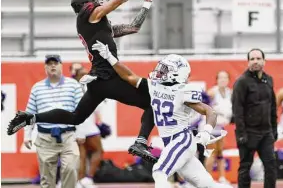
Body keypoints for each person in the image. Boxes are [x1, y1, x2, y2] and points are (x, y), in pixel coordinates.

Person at [7, 0, 157, 163]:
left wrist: (147, 2)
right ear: (88, 1)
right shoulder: (89, 15)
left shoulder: (98, 23)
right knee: (153, 104)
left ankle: (29, 118)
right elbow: (117, 0)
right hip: (108, 77)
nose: (100, 1)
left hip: (98, 80)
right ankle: (141, 142)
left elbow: (134, 27)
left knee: (76, 117)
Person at [91, 41, 232, 188]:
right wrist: (110, 57)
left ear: (177, 73)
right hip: (172, 142)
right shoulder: (154, 86)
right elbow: (129, 76)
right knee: (206, 183)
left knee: (159, 171)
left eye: (166, 69)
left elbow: (210, 111)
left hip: (181, 139)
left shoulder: (182, 91)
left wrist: (207, 131)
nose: (160, 71)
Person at [23, 55, 81, 188]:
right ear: (45, 67)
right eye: (49, 64)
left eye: (56, 63)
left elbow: (82, 111)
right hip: (45, 138)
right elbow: (29, 114)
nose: (52, 66)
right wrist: (27, 135)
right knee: (47, 179)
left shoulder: (73, 85)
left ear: (61, 65)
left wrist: (81, 132)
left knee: (71, 169)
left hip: (68, 136)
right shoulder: (37, 88)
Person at [232, 48, 277, 188]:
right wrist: (241, 134)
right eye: (252, 59)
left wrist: (274, 130)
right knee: (245, 168)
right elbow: (237, 111)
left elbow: (273, 107)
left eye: (258, 58)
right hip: (248, 133)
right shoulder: (241, 82)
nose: (255, 61)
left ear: (264, 61)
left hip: (266, 133)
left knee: (271, 167)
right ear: (248, 62)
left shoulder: (268, 80)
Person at [70, 63, 105, 188]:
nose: (83, 72)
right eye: (80, 71)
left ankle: (80, 180)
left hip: (78, 125)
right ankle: (87, 179)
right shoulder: (82, 87)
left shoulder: (74, 87)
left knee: (82, 154)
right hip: (86, 125)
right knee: (97, 151)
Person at [205, 70, 232, 184]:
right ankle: (207, 179)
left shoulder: (230, 92)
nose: (223, 80)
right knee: (212, 152)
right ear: (216, 80)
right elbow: (202, 107)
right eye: (220, 78)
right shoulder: (211, 92)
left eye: (225, 78)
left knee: (220, 152)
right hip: (211, 125)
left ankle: (222, 177)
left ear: (229, 80)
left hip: (222, 126)